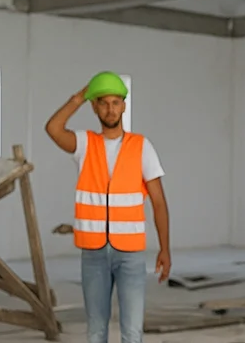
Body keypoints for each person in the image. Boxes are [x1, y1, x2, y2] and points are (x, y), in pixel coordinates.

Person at [45, 71, 171, 343]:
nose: (110, 108)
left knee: (132, 333)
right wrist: (78, 97)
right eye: (103, 102)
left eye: (116, 102)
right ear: (94, 106)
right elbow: (53, 128)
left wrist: (165, 248)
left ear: (124, 106)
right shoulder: (84, 144)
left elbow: (159, 203)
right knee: (95, 331)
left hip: (131, 255)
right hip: (94, 253)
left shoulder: (142, 146)